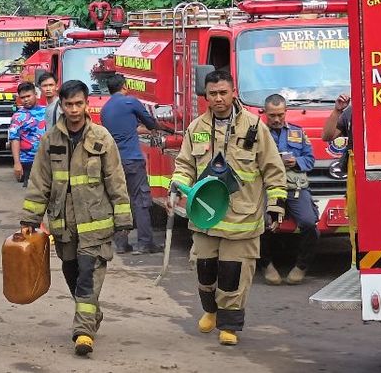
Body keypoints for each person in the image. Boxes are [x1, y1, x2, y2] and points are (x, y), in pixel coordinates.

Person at [169, 70, 286, 346]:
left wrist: (276, 206)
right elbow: (185, 165)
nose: (218, 98)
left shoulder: (256, 127)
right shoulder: (196, 128)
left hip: (242, 219)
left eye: (223, 92)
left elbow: (273, 169)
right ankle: (210, 310)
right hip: (204, 216)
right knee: (205, 270)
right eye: (212, 94)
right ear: (206, 96)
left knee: (233, 274)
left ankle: (229, 326)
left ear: (233, 93)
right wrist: (177, 185)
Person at [20, 80, 132, 357]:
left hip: (96, 222)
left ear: (86, 103)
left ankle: (83, 332)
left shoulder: (102, 137)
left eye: (78, 103)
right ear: (61, 104)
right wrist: (29, 219)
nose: (74, 110)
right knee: (72, 273)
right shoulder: (50, 140)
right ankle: (91, 313)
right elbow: (40, 181)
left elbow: (115, 179)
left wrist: (123, 217)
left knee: (87, 275)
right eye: (68, 104)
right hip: (63, 225)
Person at [257, 94, 319, 286]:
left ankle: (301, 266)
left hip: (295, 189)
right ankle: (266, 265)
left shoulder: (298, 133)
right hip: (267, 189)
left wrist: (296, 162)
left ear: (286, 112)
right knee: (262, 225)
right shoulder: (256, 134)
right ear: (264, 113)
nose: (276, 119)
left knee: (310, 224)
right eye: (272, 115)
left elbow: (310, 160)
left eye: (280, 115)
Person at [100, 73, 159, 254]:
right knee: (140, 200)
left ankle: (121, 244)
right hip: (132, 159)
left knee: (119, 201)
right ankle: (145, 243)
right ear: (124, 86)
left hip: (112, 162)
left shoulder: (104, 109)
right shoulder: (130, 102)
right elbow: (150, 123)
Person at [322, 93, 355, 266]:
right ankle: (356, 264)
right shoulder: (350, 113)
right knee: (356, 223)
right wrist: (337, 110)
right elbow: (327, 136)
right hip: (355, 174)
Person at [9, 81, 47, 187]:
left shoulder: (47, 111)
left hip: (46, 160)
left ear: (35, 94)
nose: (26, 100)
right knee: (32, 195)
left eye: (28, 96)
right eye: (22, 97)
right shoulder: (18, 117)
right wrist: (17, 163)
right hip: (28, 162)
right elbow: (15, 139)